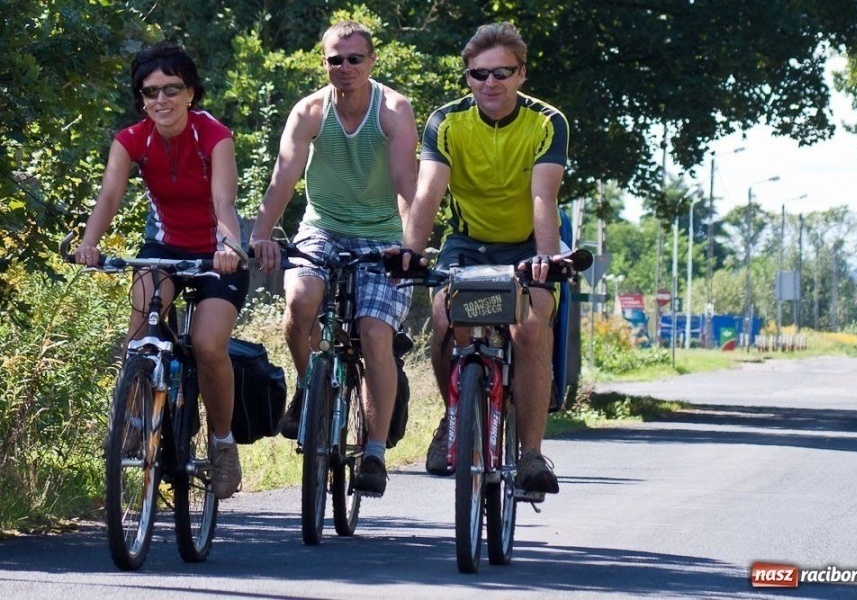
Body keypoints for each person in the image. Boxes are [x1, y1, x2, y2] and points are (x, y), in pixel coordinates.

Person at [250, 21, 418, 497]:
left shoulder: (393, 109)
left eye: (354, 59)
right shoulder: (308, 112)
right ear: (322, 62)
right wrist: (262, 235)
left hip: (382, 236)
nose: (344, 68)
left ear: (372, 62)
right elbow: (283, 178)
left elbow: (408, 183)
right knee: (300, 304)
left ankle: (375, 452)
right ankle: (310, 389)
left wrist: (409, 247)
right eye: (334, 60)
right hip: (321, 230)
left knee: (373, 333)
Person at [74, 41, 248, 500]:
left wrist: (230, 245)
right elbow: (110, 196)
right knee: (139, 334)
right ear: (141, 99)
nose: (161, 100)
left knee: (209, 345)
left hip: (217, 253)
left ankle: (222, 443)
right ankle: (134, 422)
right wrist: (90, 243)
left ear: (190, 92)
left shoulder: (214, 134)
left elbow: (224, 201)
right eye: (151, 92)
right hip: (165, 247)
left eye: (172, 89)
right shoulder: (131, 140)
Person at [401, 22, 570, 495]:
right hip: (469, 243)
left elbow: (544, 197)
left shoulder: (546, 122)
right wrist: (411, 253)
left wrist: (544, 259)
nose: (490, 83)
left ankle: (532, 454)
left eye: (502, 73)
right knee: (442, 317)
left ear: (521, 75)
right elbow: (429, 191)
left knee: (531, 326)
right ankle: (454, 418)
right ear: (467, 77)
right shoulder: (447, 122)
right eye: (479, 74)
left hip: (525, 245)